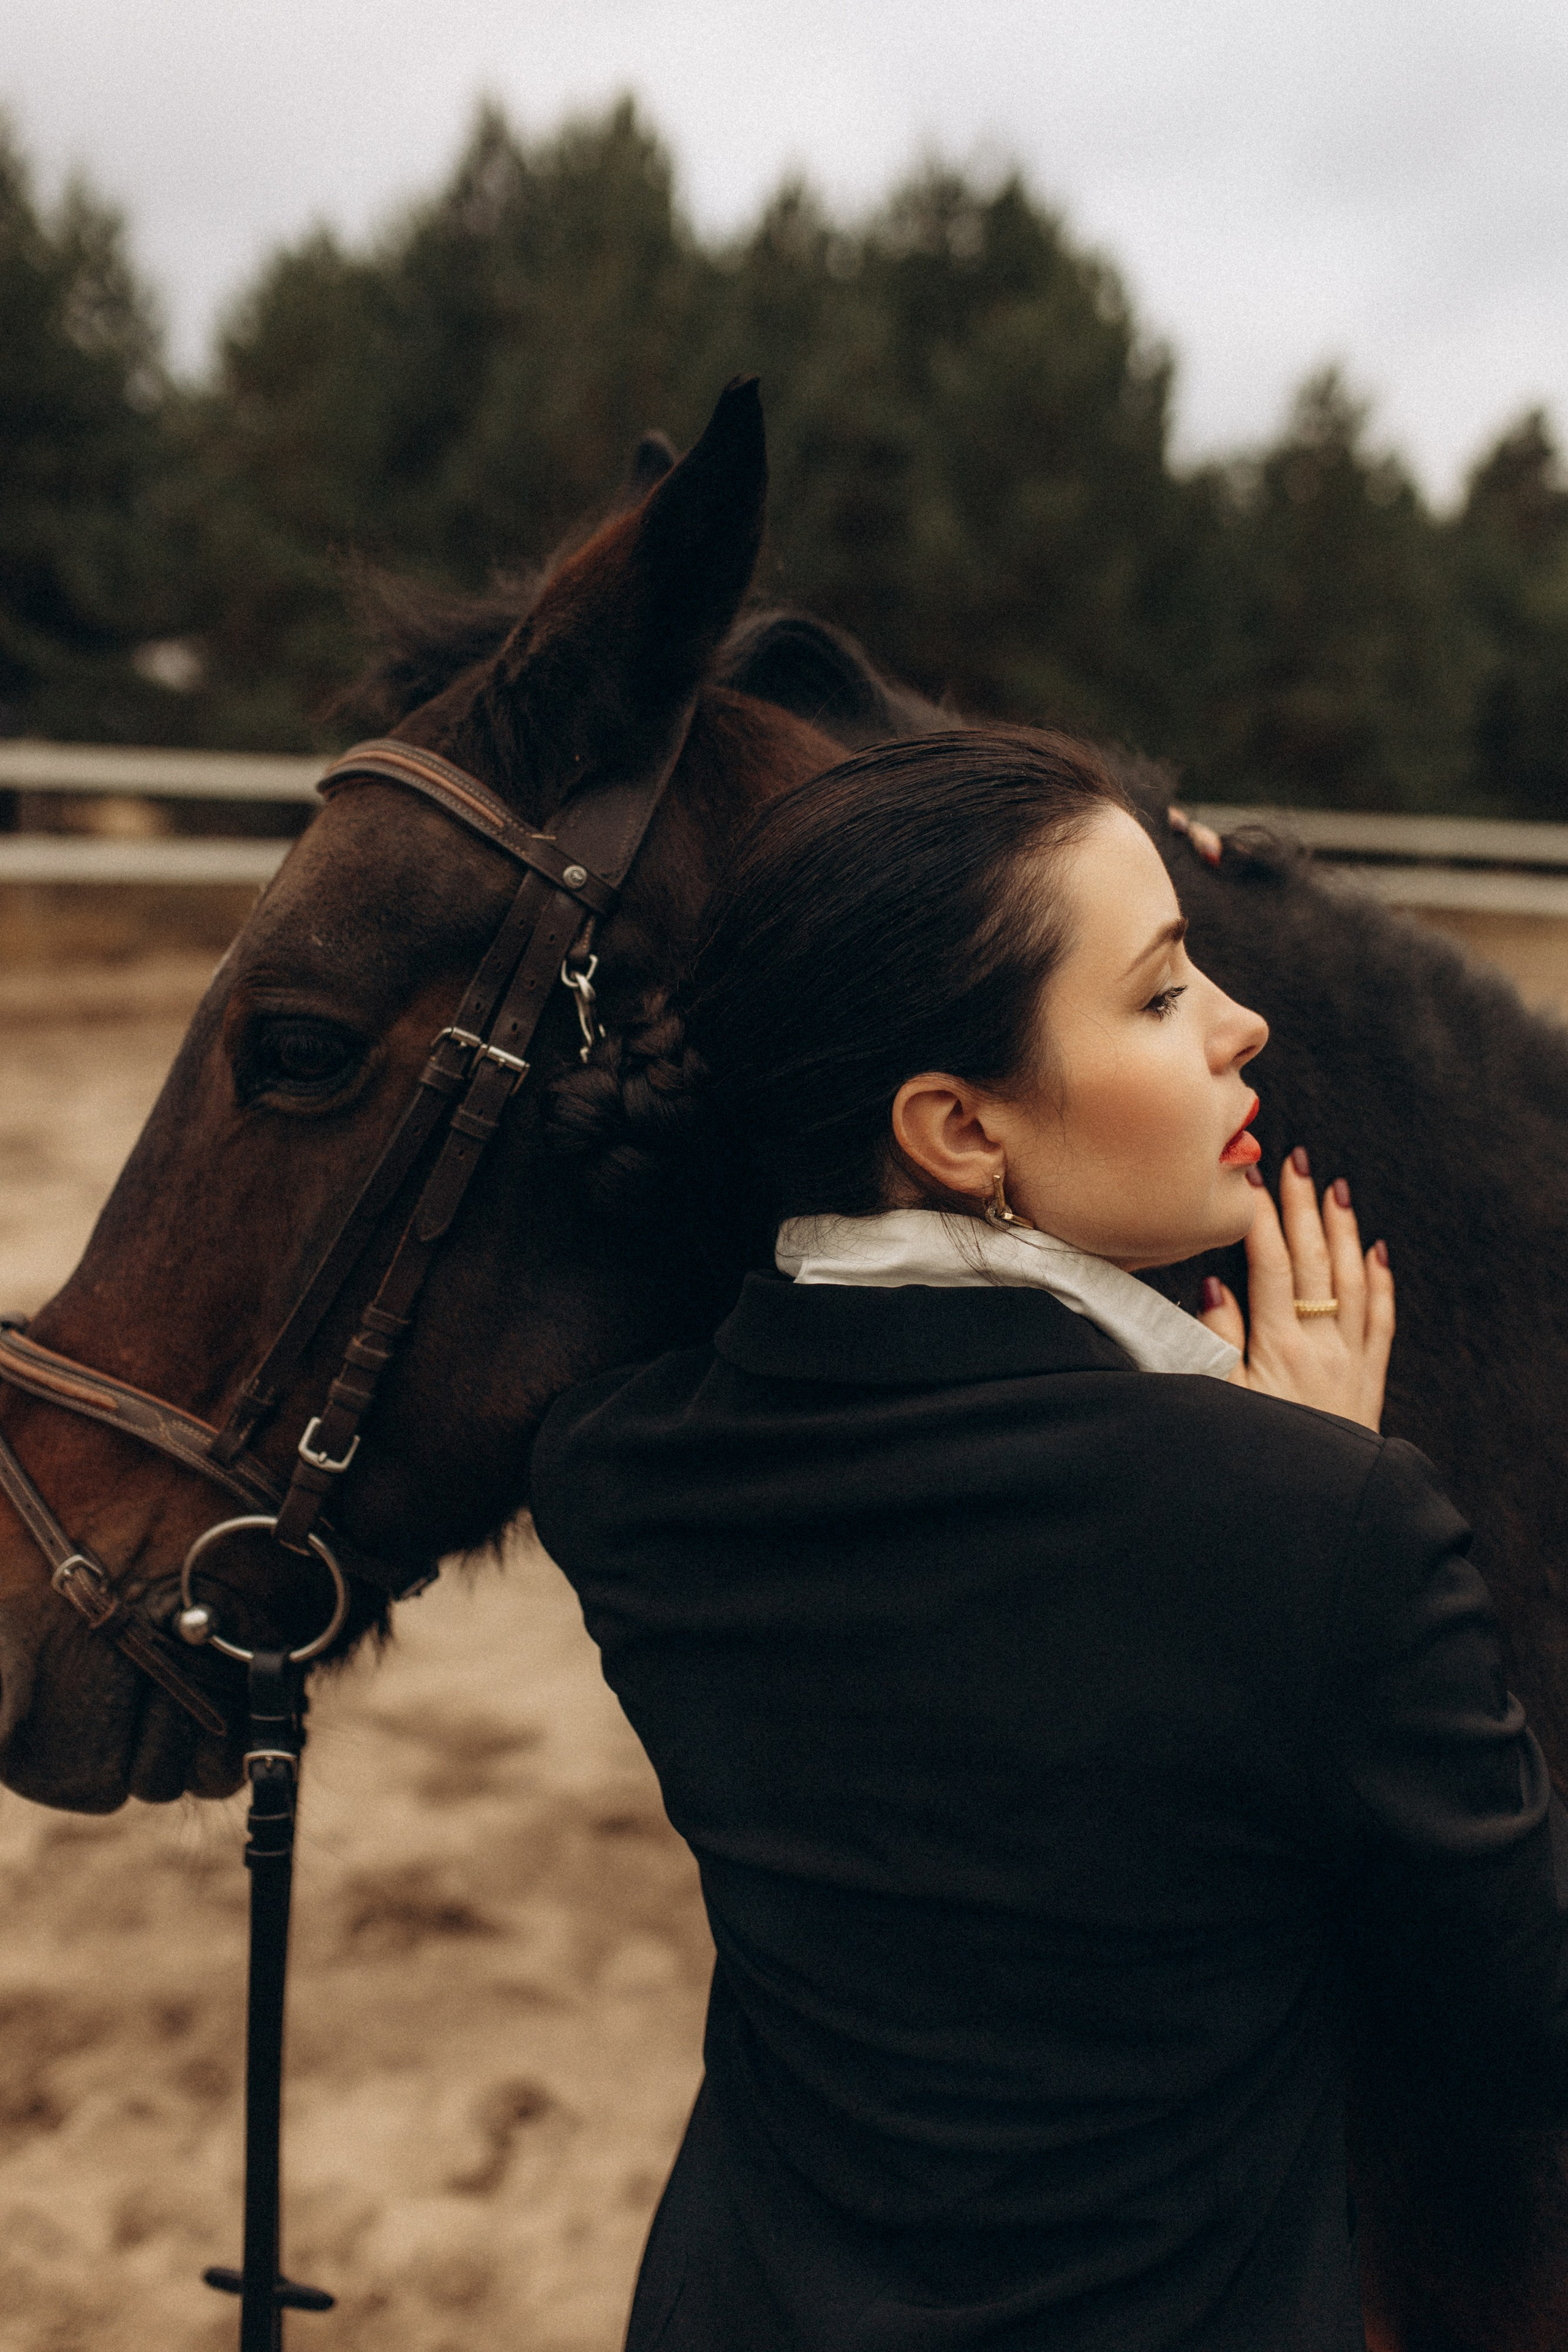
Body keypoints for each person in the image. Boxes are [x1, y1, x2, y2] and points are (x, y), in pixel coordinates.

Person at [530, 728, 1568, 2351]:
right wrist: (1299, 1484)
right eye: (1162, 994)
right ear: (957, 1131)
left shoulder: (622, 1481)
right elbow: (1516, 2029)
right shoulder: (1324, 1533)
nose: (1245, 1023)